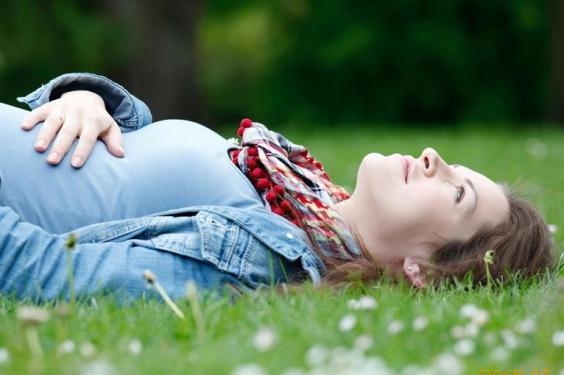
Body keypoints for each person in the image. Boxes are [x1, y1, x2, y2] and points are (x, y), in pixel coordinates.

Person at [0, 73, 557, 302]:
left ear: (424, 267)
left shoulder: (259, 257)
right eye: (456, 167)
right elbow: (128, 167)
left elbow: (49, 271)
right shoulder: (286, 187)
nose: (435, 158)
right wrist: (82, 99)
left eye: (457, 192)